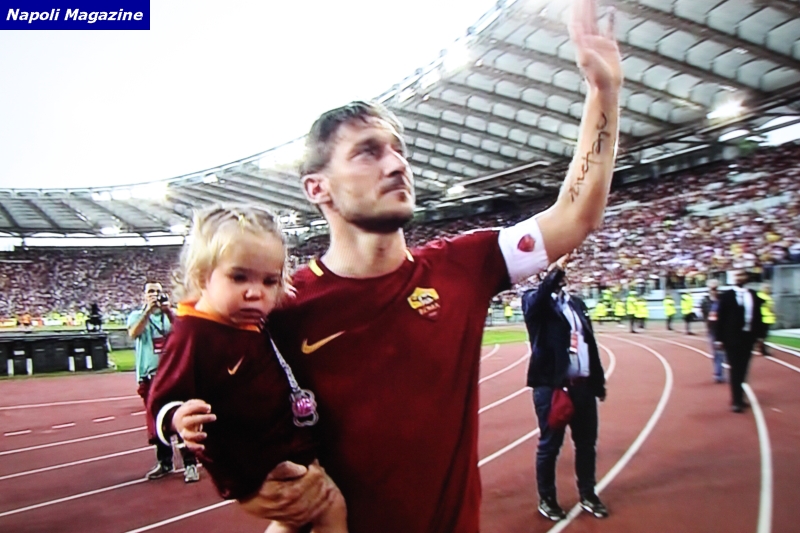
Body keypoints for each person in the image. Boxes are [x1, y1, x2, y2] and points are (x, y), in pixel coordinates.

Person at [180, 1, 621, 530]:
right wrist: (247, 487)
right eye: (368, 152)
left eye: (399, 150)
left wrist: (603, 91)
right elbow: (202, 387)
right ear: (317, 188)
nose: (396, 164)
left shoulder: (465, 265)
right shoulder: (283, 306)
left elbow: (575, 215)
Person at [148, 205, 347, 533]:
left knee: (296, 519)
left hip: (280, 446)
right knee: (329, 504)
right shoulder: (194, 332)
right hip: (254, 460)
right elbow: (162, 399)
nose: (256, 292)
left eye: (269, 281)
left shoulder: (247, 319)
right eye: (239, 277)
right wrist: (178, 417)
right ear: (202, 276)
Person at [521, 256, 608, 521]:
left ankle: (588, 494)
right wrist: (555, 268)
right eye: (553, 270)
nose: (561, 273)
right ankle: (547, 499)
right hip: (553, 387)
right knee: (550, 445)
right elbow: (540, 298)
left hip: (582, 386)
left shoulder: (576, 304)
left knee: (586, 444)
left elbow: (589, 343)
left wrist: (597, 381)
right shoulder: (534, 301)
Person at [127, 281, 199, 482]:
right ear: (144, 296)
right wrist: (148, 311)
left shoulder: (172, 315)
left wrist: (167, 311)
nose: (155, 295)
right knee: (158, 422)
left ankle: (190, 464)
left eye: (158, 292)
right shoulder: (137, 315)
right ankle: (165, 462)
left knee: (181, 417)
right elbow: (134, 333)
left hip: (174, 374)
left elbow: (183, 331)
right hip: (151, 377)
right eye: (151, 292)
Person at [715, 269, 766, 413]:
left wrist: (760, 336)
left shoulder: (753, 295)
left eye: (741, 275)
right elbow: (720, 319)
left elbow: (758, 317)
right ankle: (736, 401)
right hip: (731, 339)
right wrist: (719, 339)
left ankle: (740, 397)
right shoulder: (727, 296)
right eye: (736, 275)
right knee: (735, 369)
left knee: (743, 369)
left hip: (748, 338)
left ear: (747, 278)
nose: (738, 277)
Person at [701, 280, 726, 383]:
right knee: (716, 353)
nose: (713, 291)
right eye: (711, 289)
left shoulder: (723, 299)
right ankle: (718, 374)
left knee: (725, 353)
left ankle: (728, 371)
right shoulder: (705, 301)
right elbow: (704, 313)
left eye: (715, 288)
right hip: (712, 329)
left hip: (724, 329)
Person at [757, 283, 775, 355]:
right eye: (767, 288)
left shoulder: (759, 295)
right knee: (763, 335)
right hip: (765, 318)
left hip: (762, 318)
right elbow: (771, 308)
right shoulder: (766, 297)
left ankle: (761, 346)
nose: (769, 289)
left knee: (762, 334)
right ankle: (762, 348)